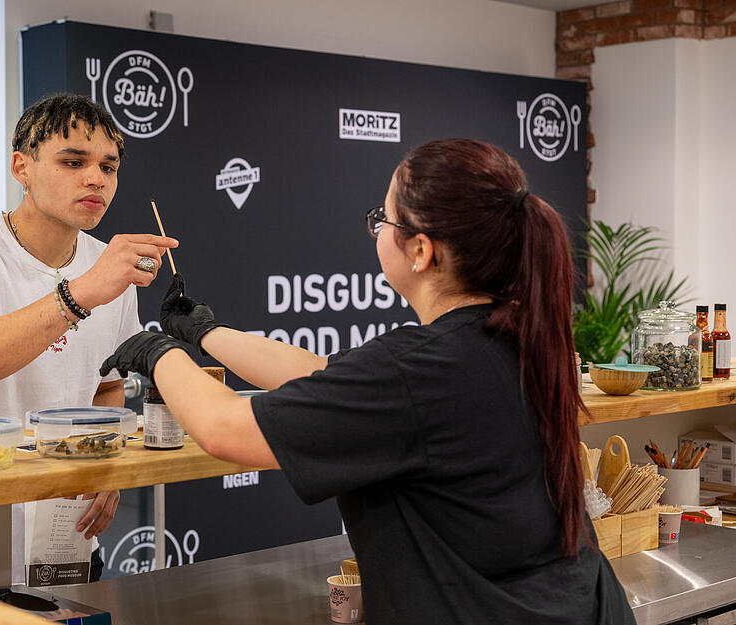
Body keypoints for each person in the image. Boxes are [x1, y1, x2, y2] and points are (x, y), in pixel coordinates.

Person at [99, 139, 635, 623]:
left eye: (385, 219)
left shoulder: (419, 368)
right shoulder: (511, 336)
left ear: (422, 250)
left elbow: (225, 429)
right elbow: (330, 379)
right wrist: (206, 332)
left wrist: (159, 352)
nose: (378, 229)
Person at [0, 93, 177, 581]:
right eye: (73, 161)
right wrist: (81, 293)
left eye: (108, 167)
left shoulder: (107, 265)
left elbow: (105, 386)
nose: (96, 178)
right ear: (22, 167)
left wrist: (104, 464)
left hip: (64, 530)